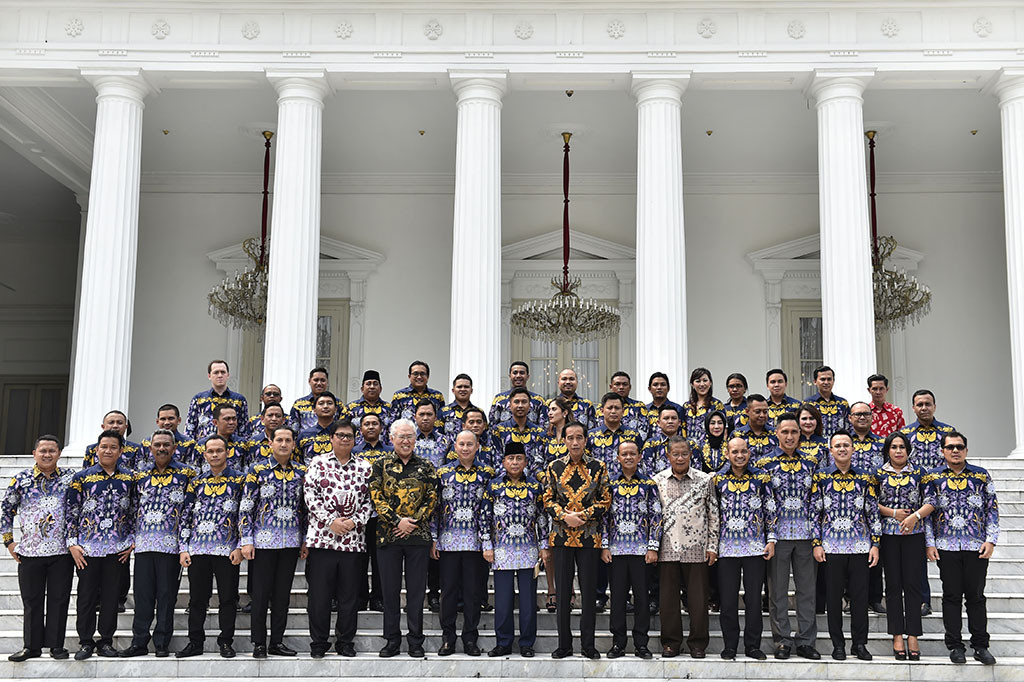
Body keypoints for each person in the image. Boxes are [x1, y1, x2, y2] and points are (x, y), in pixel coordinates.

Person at [923, 432, 999, 666]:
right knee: (951, 596)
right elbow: (927, 513)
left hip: (976, 545)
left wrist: (991, 540)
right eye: (950, 447)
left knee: (976, 597)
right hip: (946, 546)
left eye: (959, 446)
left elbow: (992, 508)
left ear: (966, 450)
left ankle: (980, 645)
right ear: (942, 451)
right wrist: (930, 542)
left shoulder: (980, 476)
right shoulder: (933, 477)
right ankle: (955, 645)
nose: (955, 451)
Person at [121, 430, 196, 658]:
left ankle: (162, 642)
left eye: (166, 445)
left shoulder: (187, 475)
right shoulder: (139, 476)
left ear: (174, 448)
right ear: (150, 448)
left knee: (166, 596)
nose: (161, 448)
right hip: (144, 546)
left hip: (171, 547)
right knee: (143, 596)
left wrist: (184, 545)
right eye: (157, 445)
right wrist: (131, 539)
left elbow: (188, 513)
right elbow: (131, 509)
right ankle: (139, 642)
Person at [303, 419, 373, 658]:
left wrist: (354, 521)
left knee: (349, 597)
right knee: (320, 597)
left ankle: (345, 641)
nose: (345, 439)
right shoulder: (317, 463)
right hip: (323, 540)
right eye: (340, 435)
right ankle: (319, 642)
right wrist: (330, 521)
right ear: (331, 438)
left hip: (353, 542)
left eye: (349, 436)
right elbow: (310, 496)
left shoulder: (364, 467)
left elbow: (369, 502)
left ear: (356, 439)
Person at [1, 435, 74, 662]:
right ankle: (31, 646)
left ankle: (56, 646)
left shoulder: (70, 479)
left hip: (62, 552)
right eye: (43, 450)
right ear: (34, 453)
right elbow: (6, 511)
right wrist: (9, 542)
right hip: (30, 551)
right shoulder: (20, 480)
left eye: (52, 450)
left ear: (59, 454)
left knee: (59, 599)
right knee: (32, 600)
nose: (47, 454)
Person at [370, 418, 439, 659]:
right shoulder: (380, 465)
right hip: (388, 537)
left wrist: (413, 522)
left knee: (416, 592)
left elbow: (432, 498)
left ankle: (415, 641)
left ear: (415, 439)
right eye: (401, 436)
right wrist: (397, 521)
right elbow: (376, 497)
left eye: (410, 436)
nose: (406, 441)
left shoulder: (427, 466)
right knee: (389, 592)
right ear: (391, 439)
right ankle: (391, 639)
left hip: (418, 537)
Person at [811, 430, 881, 662]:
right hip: (831, 547)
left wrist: (875, 544)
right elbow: (814, 513)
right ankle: (838, 644)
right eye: (837, 445)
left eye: (846, 445)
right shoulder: (821, 478)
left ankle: (859, 644)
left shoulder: (865, 478)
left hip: (860, 546)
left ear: (853, 449)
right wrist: (817, 543)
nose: (842, 449)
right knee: (833, 599)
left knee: (860, 599)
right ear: (830, 451)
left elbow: (872, 512)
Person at [543, 421, 611, 660]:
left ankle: (588, 645)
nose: (574, 442)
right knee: (562, 593)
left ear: (585, 440)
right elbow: (547, 499)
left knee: (589, 593)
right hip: (561, 537)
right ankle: (564, 644)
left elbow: (605, 500)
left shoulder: (598, 467)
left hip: (589, 537)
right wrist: (564, 516)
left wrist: (582, 516)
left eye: (579, 437)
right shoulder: (553, 467)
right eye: (570, 437)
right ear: (564, 440)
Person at [240, 425, 309, 658]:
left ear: (293, 444)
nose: (283, 444)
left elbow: (306, 509)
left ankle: (277, 642)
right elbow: (247, 506)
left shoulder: (302, 472)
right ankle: (259, 642)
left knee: (282, 595)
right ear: (270, 443)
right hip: (262, 542)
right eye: (279, 439)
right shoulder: (257, 470)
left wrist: (305, 539)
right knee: (260, 595)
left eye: (288, 440)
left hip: (290, 542)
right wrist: (246, 540)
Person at [66, 429, 135, 660]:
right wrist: (72, 544)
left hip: (117, 550)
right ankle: (85, 642)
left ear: (120, 451)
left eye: (113, 447)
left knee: (110, 597)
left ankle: (106, 641)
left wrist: (132, 541)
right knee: (85, 597)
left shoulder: (130, 478)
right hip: (87, 550)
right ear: (97, 450)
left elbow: (136, 512)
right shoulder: (82, 478)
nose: (108, 450)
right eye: (104, 446)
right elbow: (71, 512)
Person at [757, 413, 820, 661]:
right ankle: (782, 640)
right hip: (778, 536)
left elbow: (816, 503)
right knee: (778, 591)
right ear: (777, 433)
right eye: (785, 432)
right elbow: (763, 503)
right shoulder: (765, 464)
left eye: (794, 432)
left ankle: (806, 641)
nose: (790, 436)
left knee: (806, 590)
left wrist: (817, 538)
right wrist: (768, 536)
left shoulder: (812, 463)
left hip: (806, 535)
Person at [176, 435, 245, 659]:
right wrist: (183, 548)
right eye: (210, 451)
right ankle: (195, 642)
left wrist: (240, 545)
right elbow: (185, 516)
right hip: (199, 549)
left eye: (219, 450)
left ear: (227, 452)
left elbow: (244, 515)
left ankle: (225, 641)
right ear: (204, 454)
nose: (214, 455)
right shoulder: (196, 482)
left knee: (228, 598)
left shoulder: (240, 481)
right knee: (197, 599)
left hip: (227, 550)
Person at [482, 441, 548, 658]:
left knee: (529, 601)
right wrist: (486, 545)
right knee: (502, 600)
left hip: (529, 549)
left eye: (519, 458)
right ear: (504, 462)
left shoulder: (534, 487)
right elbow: (485, 517)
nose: (515, 462)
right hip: (501, 550)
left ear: (525, 462)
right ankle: (503, 643)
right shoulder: (493, 486)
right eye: (511, 459)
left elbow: (541, 517)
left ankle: (527, 643)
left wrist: (544, 546)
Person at [713, 436, 776, 661]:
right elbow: (713, 514)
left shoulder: (761, 478)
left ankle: (752, 646)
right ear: (727, 454)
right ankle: (730, 645)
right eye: (735, 451)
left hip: (755, 547)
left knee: (753, 601)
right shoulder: (717, 480)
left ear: (749, 453)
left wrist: (771, 539)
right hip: (726, 549)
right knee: (728, 600)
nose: (739, 455)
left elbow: (770, 509)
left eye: (743, 451)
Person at [655, 436, 718, 659]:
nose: (680, 458)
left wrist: (712, 546)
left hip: (697, 549)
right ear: (668, 455)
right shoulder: (658, 480)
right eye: (676, 454)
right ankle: (671, 643)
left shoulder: (704, 480)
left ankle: (698, 644)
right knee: (668, 601)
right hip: (667, 549)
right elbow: (655, 516)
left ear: (691, 455)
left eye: (684, 454)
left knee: (698, 601)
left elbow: (713, 513)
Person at [432, 430, 493, 656]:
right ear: (454, 447)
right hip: (448, 543)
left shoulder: (487, 474)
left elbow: (489, 512)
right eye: (461, 444)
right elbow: (435, 508)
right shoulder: (443, 473)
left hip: (476, 544)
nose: (466, 448)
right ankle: (448, 638)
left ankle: (470, 639)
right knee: (447, 593)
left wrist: (488, 542)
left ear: (477, 447)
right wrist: (433, 538)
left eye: (470, 444)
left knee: (473, 593)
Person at [602, 440, 661, 660]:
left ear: (639, 457)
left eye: (632, 454)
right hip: (616, 551)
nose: (628, 457)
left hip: (641, 551)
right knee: (617, 599)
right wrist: (605, 546)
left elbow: (656, 516)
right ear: (617, 458)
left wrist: (653, 547)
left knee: (642, 600)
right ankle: (618, 643)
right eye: (624, 454)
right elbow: (605, 518)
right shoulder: (610, 485)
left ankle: (641, 644)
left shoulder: (649, 484)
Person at [876, 431, 932, 661]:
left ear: (908, 450)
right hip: (888, 536)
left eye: (902, 447)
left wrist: (913, 517)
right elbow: (872, 502)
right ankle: (897, 634)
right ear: (887, 450)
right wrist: (894, 513)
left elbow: (931, 501)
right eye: (894, 447)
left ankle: (913, 635)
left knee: (912, 585)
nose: (898, 450)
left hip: (914, 535)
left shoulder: (920, 473)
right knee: (893, 586)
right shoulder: (878, 474)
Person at [587, 392, 642, 611]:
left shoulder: (633, 435)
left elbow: (639, 460)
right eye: (609, 407)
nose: (613, 411)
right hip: (598, 495)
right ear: (602, 410)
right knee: (601, 546)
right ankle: (599, 595)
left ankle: (624, 597)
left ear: (623, 411)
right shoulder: (591, 436)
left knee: (623, 550)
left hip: (625, 494)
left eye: (617, 408)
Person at [353, 413, 392, 612]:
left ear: (381, 427)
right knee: (359, 557)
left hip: (382, 515)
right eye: (366, 424)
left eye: (374, 423)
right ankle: (360, 597)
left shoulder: (390, 452)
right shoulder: (353, 451)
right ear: (360, 429)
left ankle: (378, 598)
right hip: (358, 513)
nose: (370, 427)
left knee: (380, 559)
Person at [184, 359, 249, 441]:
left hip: (232, 448)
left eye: (223, 372)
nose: (220, 375)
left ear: (228, 375)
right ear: (209, 376)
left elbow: (244, 428)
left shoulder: (239, 400)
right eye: (216, 372)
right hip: (204, 448)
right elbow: (190, 427)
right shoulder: (199, 399)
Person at [491, 387, 546, 476]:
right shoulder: (498, 431)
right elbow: (497, 459)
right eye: (516, 402)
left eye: (524, 402)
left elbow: (539, 461)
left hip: (533, 484)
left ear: (529, 406)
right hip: (504, 483)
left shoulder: (539, 432)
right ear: (510, 405)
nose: (520, 405)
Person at [901, 389, 956, 471]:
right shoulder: (904, 433)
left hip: (941, 480)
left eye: (928, 404)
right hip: (914, 481)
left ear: (934, 407)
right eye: (920, 405)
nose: (924, 408)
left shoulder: (948, 431)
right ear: (913, 408)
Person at [193, 404, 255, 473]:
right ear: (215, 422)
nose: (231, 422)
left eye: (234, 419)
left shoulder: (243, 444)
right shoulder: (202, 445)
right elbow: (196, 472)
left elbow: (248, 471)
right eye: (227, 419)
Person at [489, 361, 548, 428]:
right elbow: (492, 425)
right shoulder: (499, 399)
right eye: (515, 373)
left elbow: (544, 426)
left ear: (528, 376)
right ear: (510, 376)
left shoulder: (538, 400)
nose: (518, 376)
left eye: (522, 373)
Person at [139, 404, 195, 472]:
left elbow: (193, 472)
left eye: (171, 418)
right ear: (157, 421)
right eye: (163, 419)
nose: (167, 422)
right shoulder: (146, 443)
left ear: (179, 420)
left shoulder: (189, 443)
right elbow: (139, 470)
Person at [345, 369, 393, 448]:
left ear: (380, 389)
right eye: (368, 384)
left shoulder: (389, 408)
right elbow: (344, 430)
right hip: (356, 453)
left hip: (385, 453)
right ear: (362, 389)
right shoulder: (350, 408)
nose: (372, 387)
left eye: (375, 384)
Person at [803, 366, 850, 440]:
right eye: (822, 379)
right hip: (816, 445)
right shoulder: (808, 403)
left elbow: (849, 425)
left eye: (829, 379)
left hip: (839, 445)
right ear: (815, 381)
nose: (826, 382)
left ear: (833, 381)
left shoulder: (842, 403)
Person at [391, 360, 445, 424]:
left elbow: (441, 420)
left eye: (422, 374)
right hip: (408, 433)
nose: (419, 377)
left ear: (427, 377)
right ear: (409, 376)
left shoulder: (437, 396)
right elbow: (394, 421)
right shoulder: (399, 395)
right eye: (415, 374)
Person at [682, 368, 724, 449]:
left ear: (710, 383)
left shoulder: (717, 404)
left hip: (710, 450)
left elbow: (724, 432)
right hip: (689, 450)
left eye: (705, 380)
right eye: (698, 381)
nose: (702, 384)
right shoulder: (686, 406)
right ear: (692, 384)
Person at [605, 371, 651, 440]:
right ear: (611, 387)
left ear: (630, 387)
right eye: (617, 384)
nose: (621, 387)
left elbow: (643, 433)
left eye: (624, 384)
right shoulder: (603, 407)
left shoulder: (639, 406)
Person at [640, 404, 684, 476]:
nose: (670, 421)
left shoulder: (690, 444)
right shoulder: (650, 444)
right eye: (666, 418)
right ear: (658, 423)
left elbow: (696, 471)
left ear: (679, 422)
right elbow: (646, 471)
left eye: (673, 418)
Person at [732, 394, 778, 462]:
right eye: (758, 412)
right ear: (747, 411)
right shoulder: (737, 435)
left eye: (765, 412)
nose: (762, 415)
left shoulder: (776, 434)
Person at [290, 367, 337, 431]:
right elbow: (293, 428)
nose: (319, 383)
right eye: (316, 380)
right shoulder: (299, 404)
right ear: (309, 381)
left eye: (323, 380)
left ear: (327, 382)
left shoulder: (337, 403)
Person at [298, 392, 340, 460]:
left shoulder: (343, 434)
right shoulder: (304, 435)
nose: (325, 406)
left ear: (335, 409)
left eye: (329, 403)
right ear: (314, 410)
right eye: (321, 403)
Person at [439, 374, 481, 440]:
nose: (463, 389)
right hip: (449, 450)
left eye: (466, 387)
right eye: (459, 387)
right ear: (453, 390)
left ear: (471, 390)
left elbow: (484, 436)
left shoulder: (478, 413)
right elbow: (438, 435)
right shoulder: (443, 412)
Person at [645, 372, 684, 438]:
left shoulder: (678, 409)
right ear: (649, 389)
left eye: (663, 384)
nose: (659, 387)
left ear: (668, 388)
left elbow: (682, 432)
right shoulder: (645, 410)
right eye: (655, 385)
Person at [695, 410, 728, 474]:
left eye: (720, 423)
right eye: (712, 423)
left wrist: (718, 475)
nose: (716, 426)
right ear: (707, 425)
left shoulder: (730, 446)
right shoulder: (698, 446)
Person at [797, 404, 829, 468]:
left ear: (817, 421)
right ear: (798, 421)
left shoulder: (826, 443)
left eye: (811, 418)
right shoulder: (792, 443)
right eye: (804, 419)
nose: (808, 422)